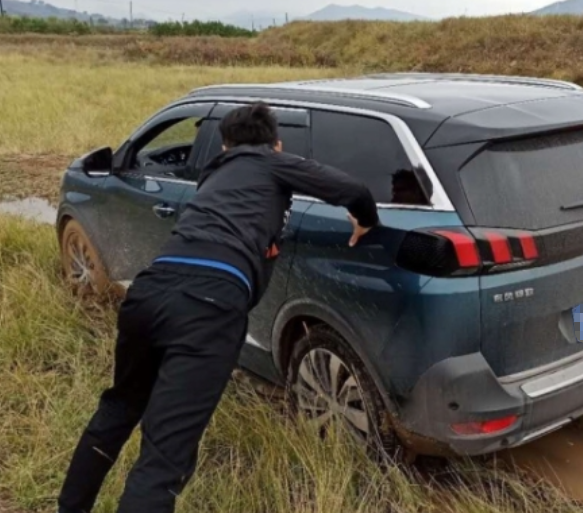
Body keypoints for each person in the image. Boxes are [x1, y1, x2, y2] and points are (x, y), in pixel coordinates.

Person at [57, 102, 380, 513]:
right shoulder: (273, 162)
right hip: (209, 305)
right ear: (277, 145)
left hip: (150, 289)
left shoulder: (215, 171)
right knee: (164, 458)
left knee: (119, 407)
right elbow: (355, 192)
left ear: (224, 146)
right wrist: (364, 220)